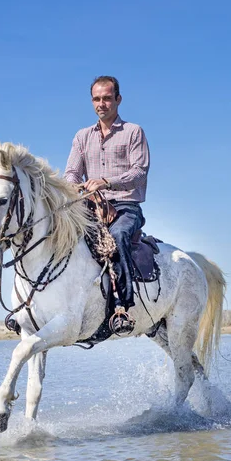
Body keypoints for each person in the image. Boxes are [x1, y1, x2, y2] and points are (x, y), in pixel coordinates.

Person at [64, 75, 150, 332]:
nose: (102, 104)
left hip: (126, 206)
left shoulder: (133, 132)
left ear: (118, 100)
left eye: (107, 98)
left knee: (118, 235)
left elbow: (139, 173)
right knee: (61, 234)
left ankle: (122, 307)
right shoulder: (82, 137)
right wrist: (74, 186)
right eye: (97, 99)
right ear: (92, 102)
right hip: (92, 206)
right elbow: (71, 172)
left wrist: (106, 182)